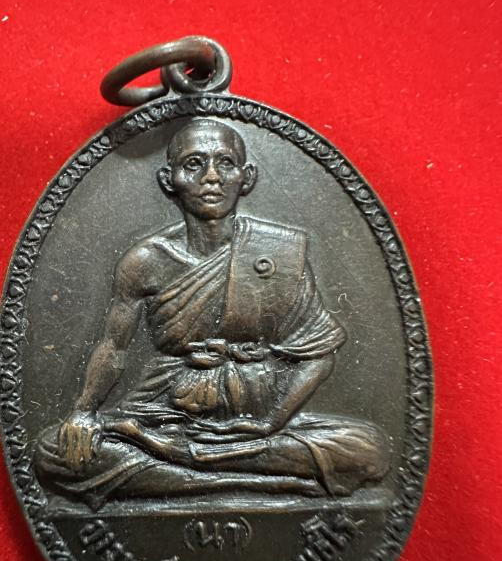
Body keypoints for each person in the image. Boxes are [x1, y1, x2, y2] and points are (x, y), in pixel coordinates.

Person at [34, 118, 389, 508]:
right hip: (166, 412)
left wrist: (270, 421)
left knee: (369, 450)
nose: (212, 177)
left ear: (246, 177)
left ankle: (187, 467)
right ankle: (255, 482)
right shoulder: (145, 261)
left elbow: (319, 353)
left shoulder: (277, 251)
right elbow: (113, 347)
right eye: (194, 164)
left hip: (255, 419)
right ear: (169, 180)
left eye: (225, 163)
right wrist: (83, 412)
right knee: (54, 452)